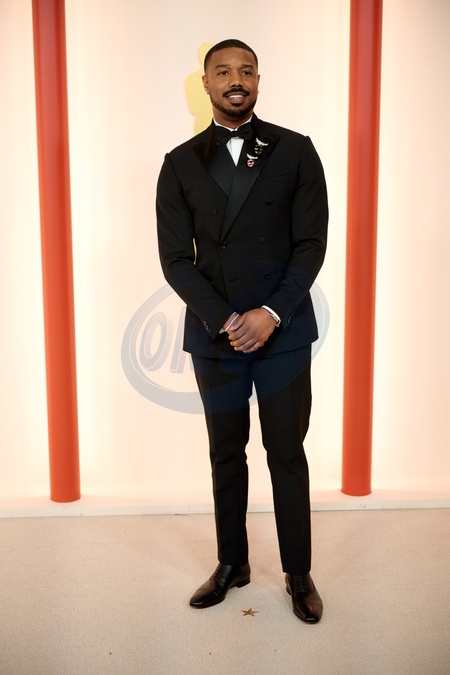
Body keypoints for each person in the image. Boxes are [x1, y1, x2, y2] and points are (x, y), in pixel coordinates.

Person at [156, 39, 328, 623]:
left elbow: (311, 244)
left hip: (283, 330)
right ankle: (233, 563)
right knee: (225, 452)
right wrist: (228, 319)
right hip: (217, 333)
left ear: (258, 80)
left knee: (287, 452)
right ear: (204, 84)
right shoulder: (179, 162)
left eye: (246, 71)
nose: (236, 79)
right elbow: (175, 259)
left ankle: (298, 572)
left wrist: (269, 314)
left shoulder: (296, 150)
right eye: (223, 71)